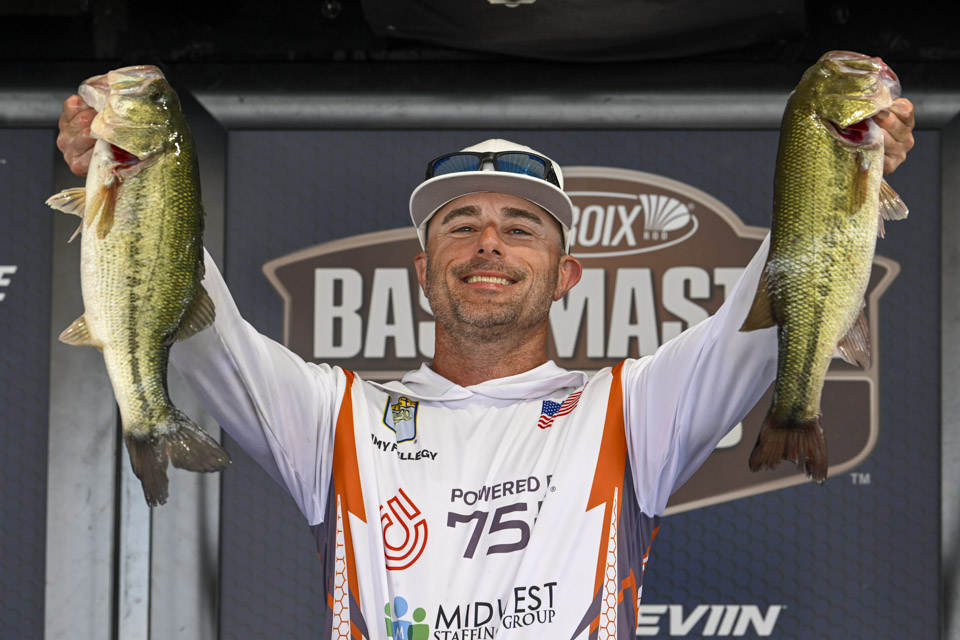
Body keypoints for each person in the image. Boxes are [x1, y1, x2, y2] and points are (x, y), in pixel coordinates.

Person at [58, 95, 915, 639]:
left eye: (521, 226)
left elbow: (766, 311)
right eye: (460, 224)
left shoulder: (631, 410)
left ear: (566, 273)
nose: (489, 244)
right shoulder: (332, 417)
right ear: (423, 269)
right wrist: (129, 182)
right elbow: (205, 334)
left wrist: (847, 162)